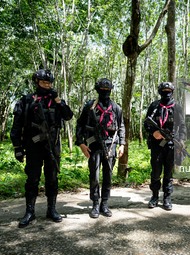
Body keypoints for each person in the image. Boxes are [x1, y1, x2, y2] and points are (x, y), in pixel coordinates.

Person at [10, 69, 73, 228]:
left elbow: (68, 116)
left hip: (53, 145)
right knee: (32, 179)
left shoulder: (56, 100)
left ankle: (51, 209)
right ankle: (29, 212)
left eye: (49, 83)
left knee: (52, 178)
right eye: (44, 82)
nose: (48, 85)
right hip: (33, 145)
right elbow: (17, 125)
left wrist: (59, 101)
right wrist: (17, 147)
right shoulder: (27, 100)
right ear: (37, 82)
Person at [75, 78, 125, 218]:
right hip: (94, 145)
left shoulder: (116, 107)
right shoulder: (90, 106)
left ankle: (105, 203)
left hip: (110, 145)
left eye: (107, 90)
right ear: (97, 90)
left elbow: (121, 126)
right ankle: (95, 203)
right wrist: (81, 143)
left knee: (108, 175)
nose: (105, 93)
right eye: (102, 90)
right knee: (95, 176)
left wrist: (122, 144)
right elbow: (80, 124)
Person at [144, 82, 186, 210]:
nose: (166, 93)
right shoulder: (154, 106)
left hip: (171, 145)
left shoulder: (177, 107)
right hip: (157, 145)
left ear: (172, 91)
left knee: (168, 173)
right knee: (156, 172)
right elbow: (146, 123)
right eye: (164, 90)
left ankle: (167, 198)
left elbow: (183, 126)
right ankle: (155, 196)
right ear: (160, 91)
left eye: (168, 90)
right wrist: (154, 132)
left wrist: (182, 140)